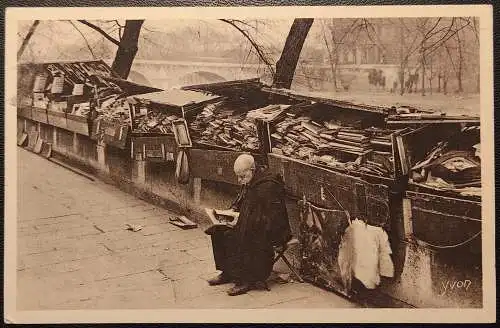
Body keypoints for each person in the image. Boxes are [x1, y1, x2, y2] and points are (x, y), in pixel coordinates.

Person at [205, 154, 292, 296]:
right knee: (219, 231)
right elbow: (242, 202)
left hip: (272, 230)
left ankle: (246, 279)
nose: (240, 181)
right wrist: (231, 211)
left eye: (242, 176)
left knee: (242, 234)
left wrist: (242, 222)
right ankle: (227, 272)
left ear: (252, 169)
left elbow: (272, 218)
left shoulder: (267, 185)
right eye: (238, 177)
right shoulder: (250, 179)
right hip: (252, 223)